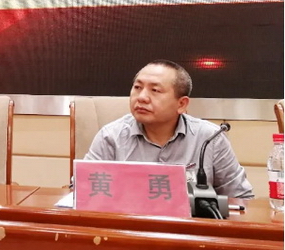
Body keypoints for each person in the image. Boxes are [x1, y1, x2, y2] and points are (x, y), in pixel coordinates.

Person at [84, 60, 253, 198]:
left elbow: (240, 197)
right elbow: (82, 190)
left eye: (155, 90)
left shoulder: (209, 138)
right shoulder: (111, 136)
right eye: (137, 87)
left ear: (181, 104)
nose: (142, 97)